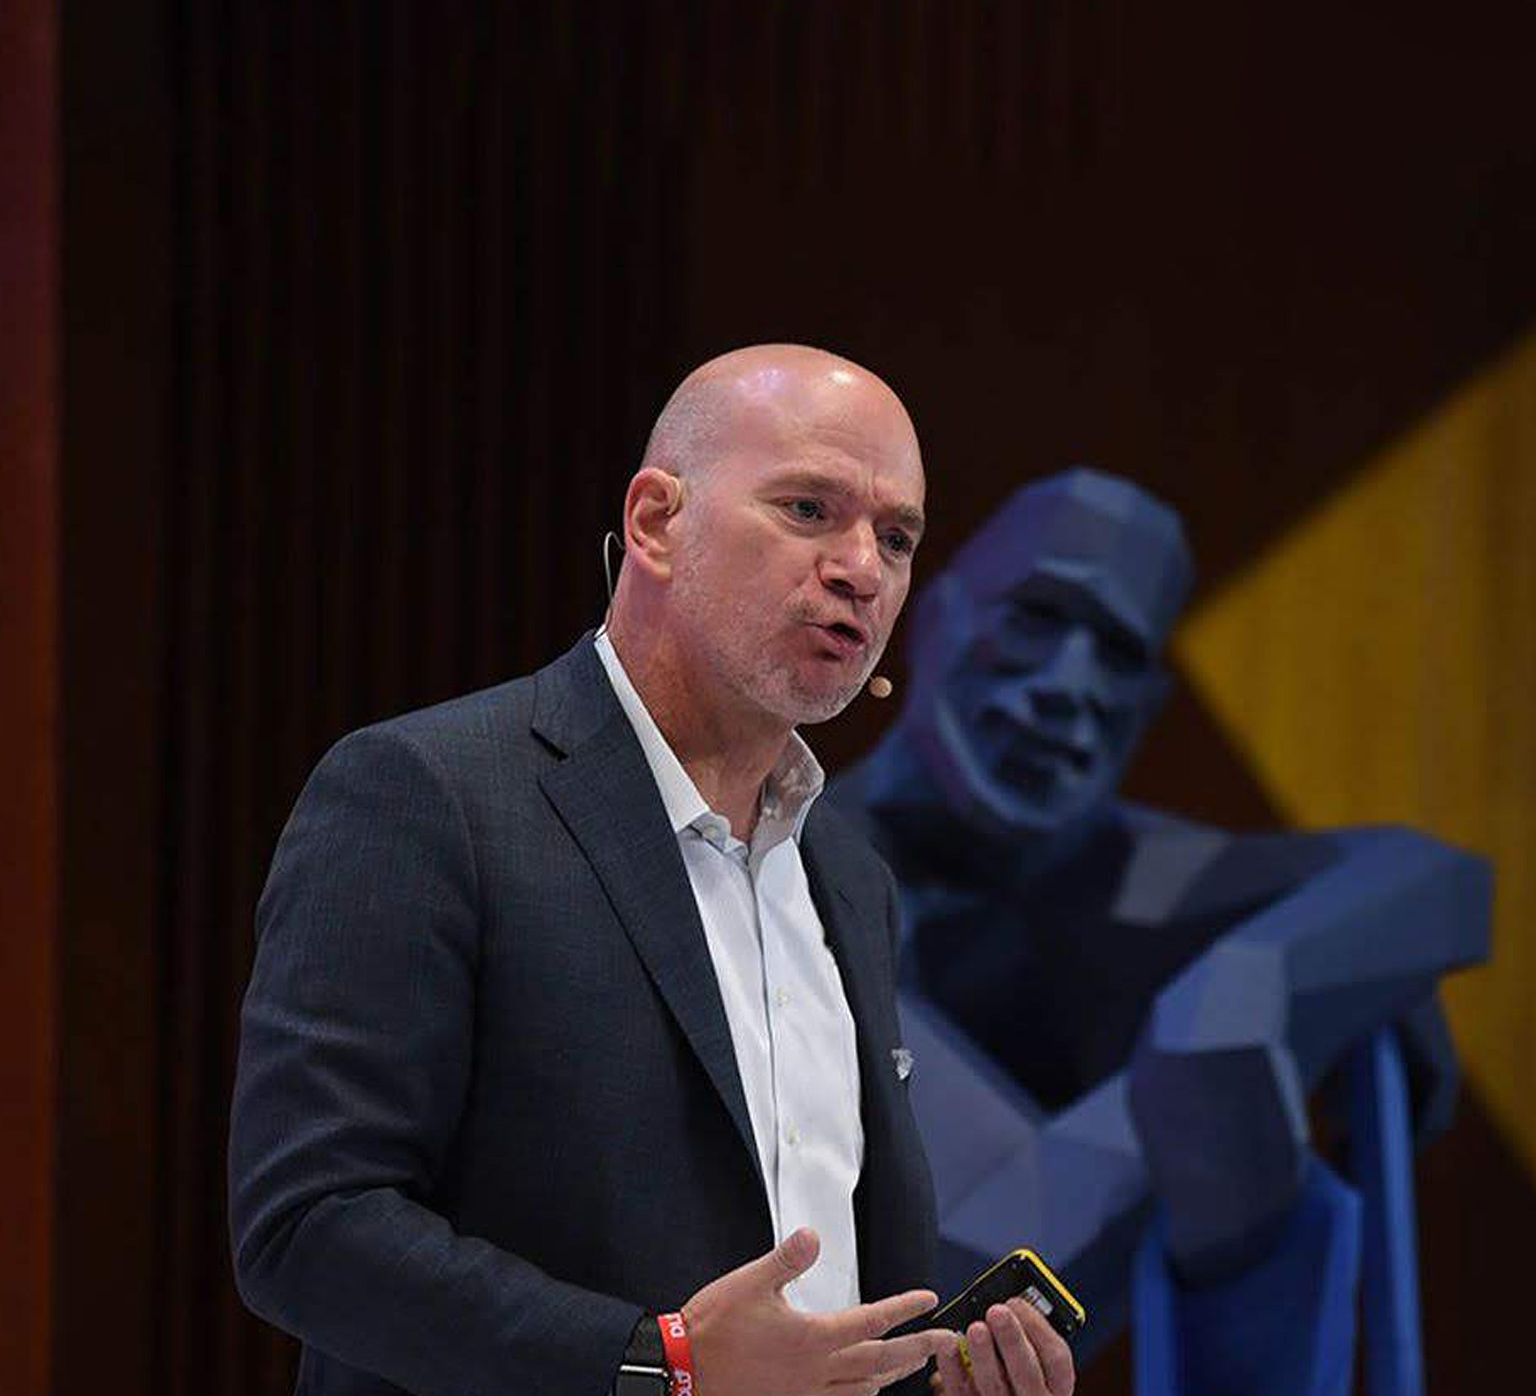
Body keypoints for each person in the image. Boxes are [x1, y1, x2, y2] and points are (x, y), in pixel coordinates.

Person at [229, 345, 1077, 1396]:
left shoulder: (850, 880)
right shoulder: (426, 794)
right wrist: (657, 1363)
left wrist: (937, 1377)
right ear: (656, 524)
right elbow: (308, 1227)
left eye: (896, 537)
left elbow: (809, 1330)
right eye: (809, 509)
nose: (862, 566)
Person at [829, 468, 1490, 1394]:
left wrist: (1258, 984)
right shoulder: (776, 860)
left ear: (1143, 709)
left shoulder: (1138, 880)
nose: (1069, 686)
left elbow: (1436, 880)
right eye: (1038, 615)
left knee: (1233, 1098)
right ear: (933, 618)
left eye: (1117, 655)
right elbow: (938, 1312)